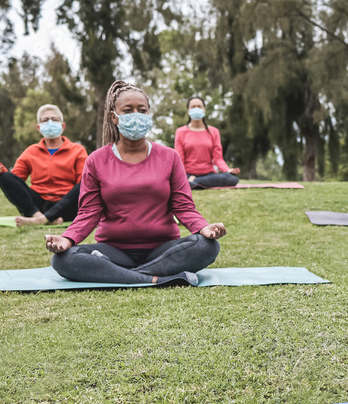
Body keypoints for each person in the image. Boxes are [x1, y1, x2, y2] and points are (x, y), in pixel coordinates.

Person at [45, 81, 226, 286]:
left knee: (207, 246)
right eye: (128, 110)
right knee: (62, 260)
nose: (136, 115)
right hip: (114, 251)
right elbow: (88, 212)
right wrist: (67, 239)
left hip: (164, 248)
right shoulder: (96, 160)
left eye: (142, 110)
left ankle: (126, 275)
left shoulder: (170, 157)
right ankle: (156, 277)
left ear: (149, 115)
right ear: (114, 117)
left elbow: (184, 207)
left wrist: (203, 228)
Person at [0, 104, 87, 226]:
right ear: (39, 128)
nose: (50, 123)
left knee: (86, 183)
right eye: (45, 120)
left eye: (54, 119)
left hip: (67, 206)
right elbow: (16, 182)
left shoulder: (78, 150)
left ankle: (42, 220)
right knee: (5, 177)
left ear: (63, 126)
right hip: (38, 206)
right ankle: (40, 217)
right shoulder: (30, 152)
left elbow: (83, 185)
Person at [174, 96, 240, 189]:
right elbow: (179, 160)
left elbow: (218, 158)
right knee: (176, 180)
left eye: (199, 106)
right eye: (193, 107)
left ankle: (195, 182)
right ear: (188, 110)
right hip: (188, 174)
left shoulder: (214, 132)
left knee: (233, 179)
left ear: (204, 109)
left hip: (208, 175)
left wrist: (227, 169)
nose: (196, 109)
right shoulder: (180, 132)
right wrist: (182, 175)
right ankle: (191, 182)